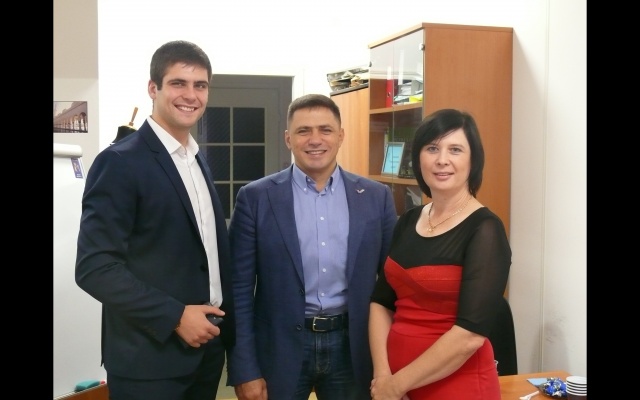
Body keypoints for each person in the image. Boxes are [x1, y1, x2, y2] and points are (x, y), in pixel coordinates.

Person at [75, 40, 235, 400]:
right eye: (178, 83)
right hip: (148, 362)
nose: (190, 95)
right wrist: (175, 316)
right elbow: (94, 268)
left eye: (200, 85)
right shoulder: (120, 162)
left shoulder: (196, 159)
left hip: (206, 354)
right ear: (153, 88)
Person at [226, 93, 398, 400]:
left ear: (341, 136)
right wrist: (245, 368)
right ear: (288, 138)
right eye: (303, 131)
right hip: (279, 349)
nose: (315, 140)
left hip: (354, 347)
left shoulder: (376, 197)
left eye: (325, 130)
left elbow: (392, 285)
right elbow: (238, 290)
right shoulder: (256, 198)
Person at [368, 108, 512, 400]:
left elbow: (469, 336)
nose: (442, 159)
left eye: (455, 149)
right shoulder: (409, 220)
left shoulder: (485, 229)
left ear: (473, 160)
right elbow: (381, 302)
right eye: (432, 148)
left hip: (458, 386)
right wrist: (383, 377)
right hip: (395, 383)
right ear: (418, 157)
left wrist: (395, 386)